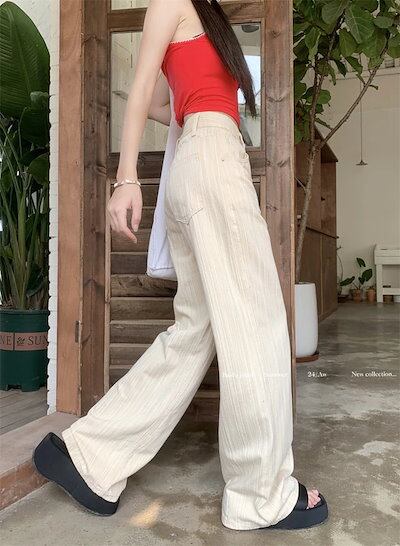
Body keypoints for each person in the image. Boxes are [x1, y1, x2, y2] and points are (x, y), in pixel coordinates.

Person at [33, 0, 328, 531]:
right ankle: (260, 494)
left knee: (196, 333)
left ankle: (87, 457)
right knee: (257, 323)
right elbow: (142, 85)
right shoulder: (172, 2)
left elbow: (164, 105)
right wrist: (127, 179)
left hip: (203, 159)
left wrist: (168, 107)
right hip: (213, 160)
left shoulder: (202, 17)